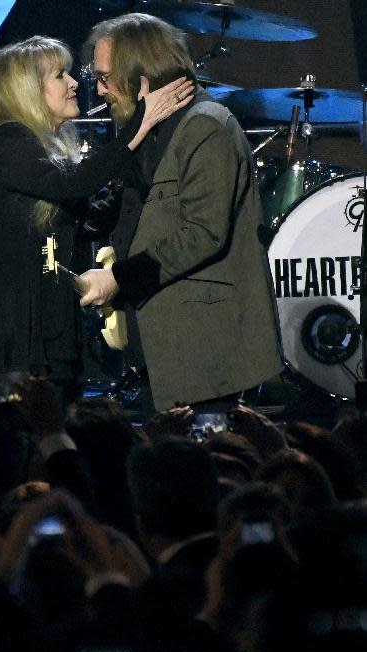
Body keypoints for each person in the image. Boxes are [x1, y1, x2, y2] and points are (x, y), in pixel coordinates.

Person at [0, 36, 193, 430]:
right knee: (3, 436)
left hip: (31, 316)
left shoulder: (35, 148)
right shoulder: (8, 140)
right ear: (26, 90)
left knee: (33, 434)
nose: (73, 83)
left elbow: (85, 218)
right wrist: (139, 124)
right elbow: (73, 185)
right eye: (59, 74)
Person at [79, 13, 283, 414]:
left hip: (204, 355)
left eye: (104, 78)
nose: (99, 90)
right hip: (164, 349)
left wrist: (118, 278)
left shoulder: (205, 127)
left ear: (140, 79)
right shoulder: (147, 133)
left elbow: (203, 233)